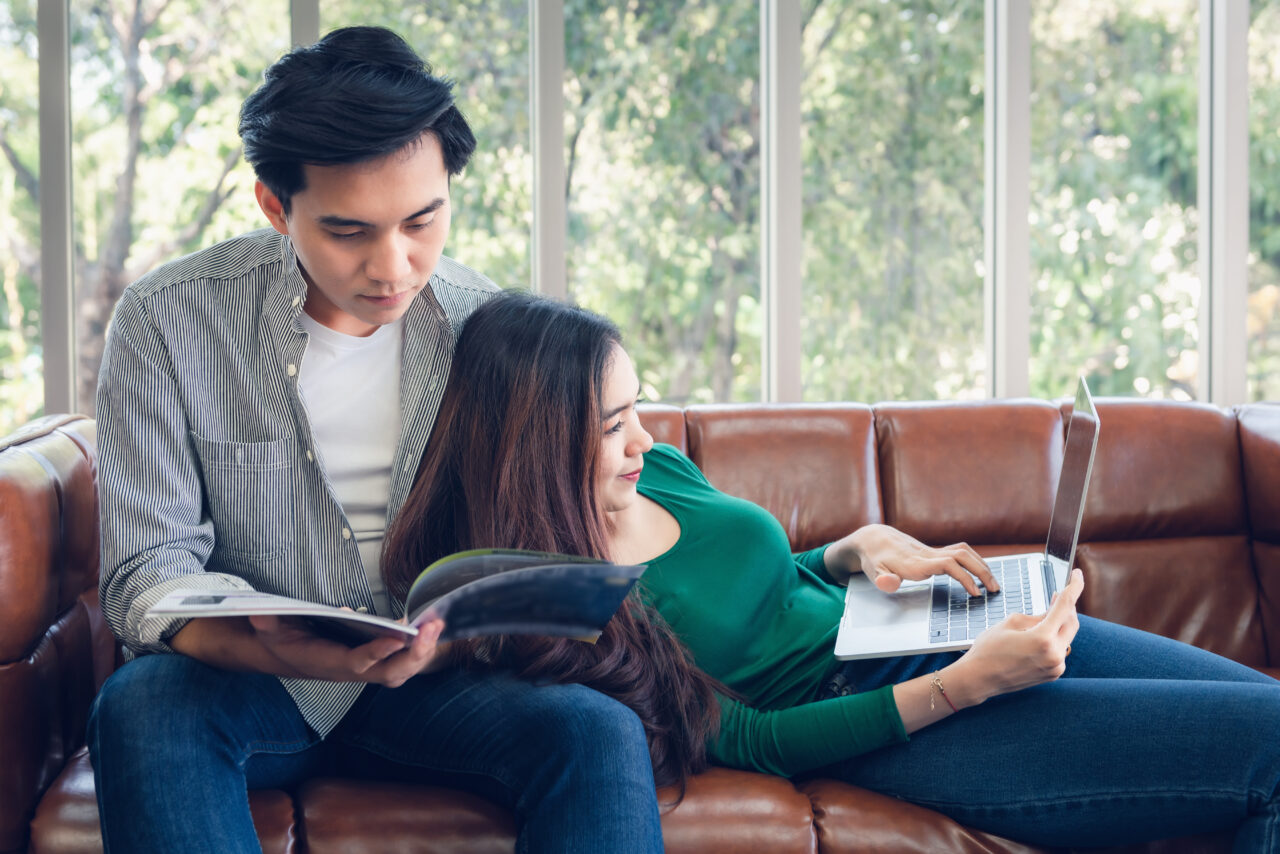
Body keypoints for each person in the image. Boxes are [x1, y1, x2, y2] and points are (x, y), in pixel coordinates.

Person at [383, 290, 1280, 851]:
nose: (646, 440)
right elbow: (750, 743)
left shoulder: (655, 472)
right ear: (536, 446)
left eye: (635, 407)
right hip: (912, 718)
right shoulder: (563, 603)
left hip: (913, 623)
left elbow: (758, 586)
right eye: (612, 425)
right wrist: (968, 686)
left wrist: (846, 551)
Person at [88, 28, 663, 854]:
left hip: (434, 686)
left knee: (596, 731)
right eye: (349, 232)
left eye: (422, 220)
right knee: (141, 703)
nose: (394, 266)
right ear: (275, 206)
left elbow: (542, 528)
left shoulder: (483, 324)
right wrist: (260, 645)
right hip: (257, 682)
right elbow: (147, 574)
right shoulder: (167, 321)